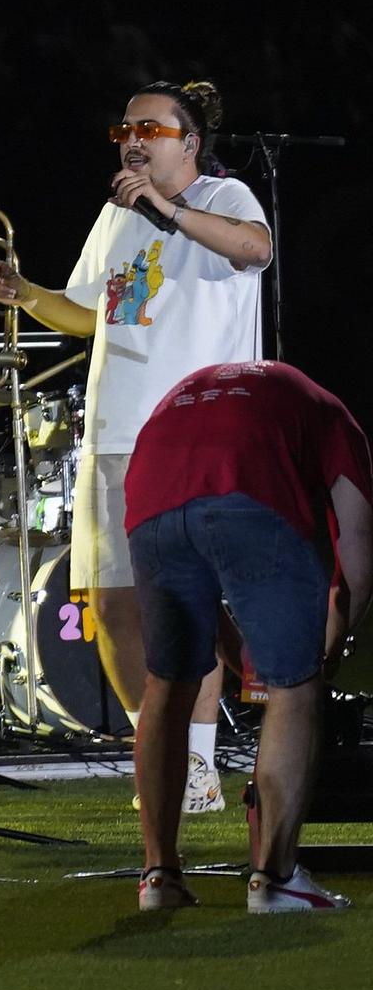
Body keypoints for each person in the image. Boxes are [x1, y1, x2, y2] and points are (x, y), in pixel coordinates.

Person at [0, 80, 271, 812]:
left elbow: (255, 248)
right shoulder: (115, 220)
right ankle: (160, 755)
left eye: (151, 128)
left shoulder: (226, 196)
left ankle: (200, 767)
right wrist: (24, 292)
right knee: (110, 605)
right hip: (114, 432)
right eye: (126, 130)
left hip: (193, 432)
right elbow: (86, 313)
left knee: (189, 604)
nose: (135, 140)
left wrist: (166, 208)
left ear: (190, 142)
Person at [126, 361, 368, 913]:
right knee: (295, 688)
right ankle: (276, 879)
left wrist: (242, 652)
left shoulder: (246, 392)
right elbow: (357, 556)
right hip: (246, 488)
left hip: (151, 491)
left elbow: (199, 545)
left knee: (168, 679)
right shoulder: (339, 420)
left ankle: (158, 875)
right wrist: (326, 650)